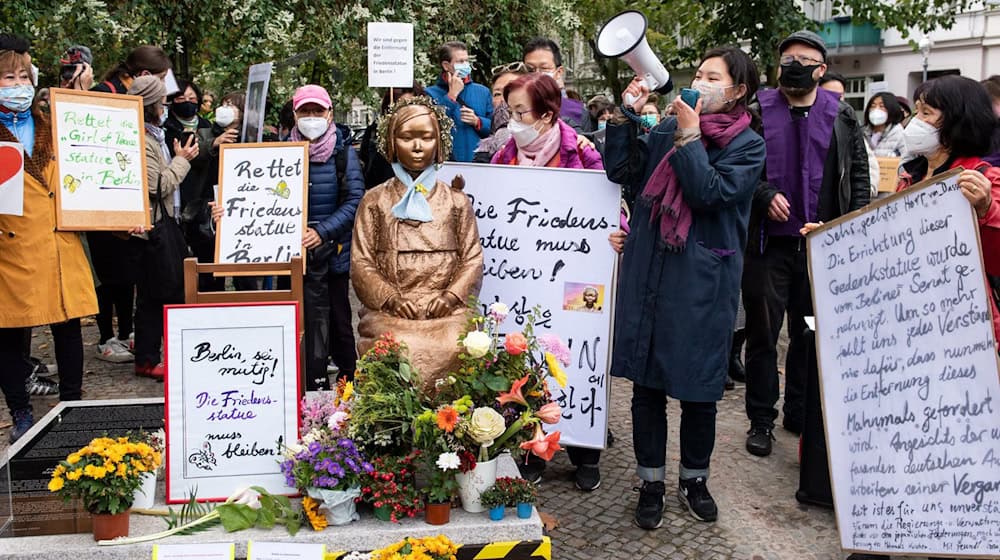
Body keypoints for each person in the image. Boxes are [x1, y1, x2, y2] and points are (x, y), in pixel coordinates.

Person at [605, 46, 765, 528]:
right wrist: (626, 118)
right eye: (697, 73)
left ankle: (694, 478)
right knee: (648, 387)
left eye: (712, 77)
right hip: (653, 271)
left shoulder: (748, 144)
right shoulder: (669, 129)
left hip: (702, 283)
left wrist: (692, 138)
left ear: (738, 91)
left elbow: (710, 192)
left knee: (698, 390)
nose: (700, 81)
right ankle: (650, 481)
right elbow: (624, 173)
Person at [743, 30, 870, 457]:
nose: (794, 64)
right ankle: (761, 418)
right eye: (788, 58)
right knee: (763, 333)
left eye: (805, 59)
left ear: (821, 68)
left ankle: (797, 410)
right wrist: (763, 195)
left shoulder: (842, 116)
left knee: (807, 334)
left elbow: (857, 177)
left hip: (821, 245)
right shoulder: (757, 111)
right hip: (767, 244)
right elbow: (740, 169)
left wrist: (846, 227)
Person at [490, 73, 605, 491]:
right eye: (509, 112)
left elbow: (609, 208)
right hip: (522, 279)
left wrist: (618, 232)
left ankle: (584, 453)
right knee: (525, 367)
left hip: (575, 283)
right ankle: (531, 449)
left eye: (521, 113)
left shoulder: (584, 153)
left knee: (577, 360)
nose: (514, 122)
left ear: (547, 114)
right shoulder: (504, 155)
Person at [0, 34, 98, 442]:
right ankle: (20, 410)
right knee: (9, 330)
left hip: (61, 243)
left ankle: (72, 403)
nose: (19, 83)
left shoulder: (52, 123)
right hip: (12, 246)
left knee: (68, 324)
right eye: (8, 76)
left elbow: (93, 157)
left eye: (24, 74)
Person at [351, 96, 483, 389]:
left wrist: (449, 297)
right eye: (407, 138)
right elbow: (361, 262)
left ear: (439, 142)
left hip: (447, 310)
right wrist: (390, 298)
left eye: (426, 137)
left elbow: (472, 258)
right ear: (391, 142)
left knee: (457, 344)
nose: (417, 146)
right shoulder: (374, 201)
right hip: (392, 311)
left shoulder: (456, 202)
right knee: (398, 347)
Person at [896, 76, 1000, 318]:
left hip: (965, 316)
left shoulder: (986, 179)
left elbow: (996, 262)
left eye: (926, 113)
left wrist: (987, 209)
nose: (915, 121)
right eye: (916, 111)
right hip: (914, 309)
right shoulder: (910, 178)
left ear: (957, 122)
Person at [289, 85, 363, 389]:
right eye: (304, 111)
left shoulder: (343, 154)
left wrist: (321, 232)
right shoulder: (278, 152)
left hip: (333, 254)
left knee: (339, 323)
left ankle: (348, 385)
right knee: (298, 325)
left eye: (317, 111)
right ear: (294, 114)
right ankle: (303, 384)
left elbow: (355, 200)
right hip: (291, 258)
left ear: (329, 113)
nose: (311, 117)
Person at [130, 75, 198, 380]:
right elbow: (158, 184)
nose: (167, 106)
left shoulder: (155, 135)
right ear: (152, 106)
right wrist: (182, 160)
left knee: (156, 293)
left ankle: (150, 356)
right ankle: (148, 357)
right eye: (163, 102)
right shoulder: (142, 140)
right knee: (159, 293)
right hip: (154, 227)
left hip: (164, 222)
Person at [164, 79, 215, 290]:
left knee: (207, 258)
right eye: (181, 98)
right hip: (177, 197)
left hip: (205, 200)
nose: (187, 102)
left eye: (192, 98)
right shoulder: (167, 129)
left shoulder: (207, 126)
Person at [424, 41, 493, 163]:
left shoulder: (483, 91)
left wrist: (478, 121)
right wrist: (451, 96)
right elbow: (430, 127)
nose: (466, 65)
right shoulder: (429, 93)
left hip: (478, 163)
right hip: (444, 163)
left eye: (467, 61)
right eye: (460, 62)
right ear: (446, 65)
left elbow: (495, 129)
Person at [819, 73, 879, 198]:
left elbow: (864, 174)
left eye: (839, 97)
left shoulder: (850, 128)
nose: (834, 101)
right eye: (828, 95)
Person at [522, 37, 595, 133]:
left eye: (544, 68)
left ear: (559, 72)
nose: (537, 74)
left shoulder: (577, 113)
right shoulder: (514, 110)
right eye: (530, 69)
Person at [360, 84, 425, 189]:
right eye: (401, 106)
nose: (408, 112)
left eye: (413, 105)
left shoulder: (429, 135)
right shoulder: (374, 132)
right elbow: (368, 171)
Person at [472, 63, 529, 163]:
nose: (504, 99)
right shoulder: (485, 150)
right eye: (497, 94)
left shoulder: (548, 139)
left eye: (511, 91)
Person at [92, 45, 171, 95]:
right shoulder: (103, 93)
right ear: (145, 74)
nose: (163, 83)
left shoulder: (139, 93)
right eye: (161, 78)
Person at [863, 92, 906, 158]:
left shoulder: (899, 134)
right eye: (873, 106)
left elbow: (906, 159)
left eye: (881, 106)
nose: (876, 110)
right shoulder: (863, 132)